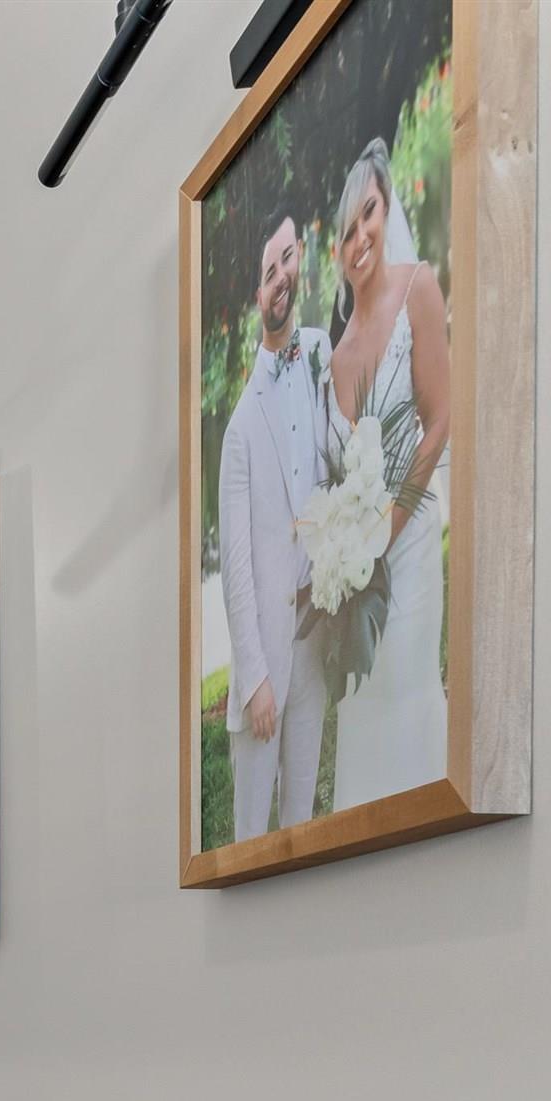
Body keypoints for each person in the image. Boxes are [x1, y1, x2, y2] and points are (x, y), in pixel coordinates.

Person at [324, 137, 451, 810]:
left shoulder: (418, 287)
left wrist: (388, 527)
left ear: (388, 206)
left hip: (412, 542)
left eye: (368, 213)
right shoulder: (338, 357)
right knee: (363, 706)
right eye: (347, 231)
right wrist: (344, 551)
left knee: (406, 690)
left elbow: (441, 420)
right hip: (360, 577)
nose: (360, 237)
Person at [214, 217, 332, 841]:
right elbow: (235, 568)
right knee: (251, 840)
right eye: (268, 271)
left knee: (302, 828)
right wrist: (254, 676)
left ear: (300, 259)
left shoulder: (321, 354)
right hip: (265, 659)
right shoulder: (239, 428)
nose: (281, 275)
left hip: (314, 637)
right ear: (258, 294)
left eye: (287, 258)